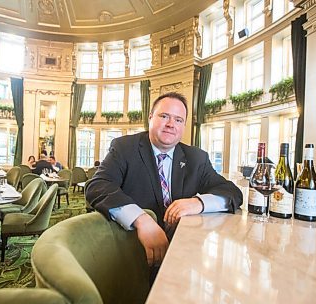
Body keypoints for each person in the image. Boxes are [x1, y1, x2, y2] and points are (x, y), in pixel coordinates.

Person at [86, 92, 243, 267]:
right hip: (131, 252)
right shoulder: (125, 148)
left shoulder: (196, 158)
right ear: (150, 118)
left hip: (182, 252)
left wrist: (199, 203)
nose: (171, 124)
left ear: (184, 125)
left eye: (178, 120)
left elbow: (232, 193)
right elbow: (97, 186)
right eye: (164, 116)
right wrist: (140, 218)